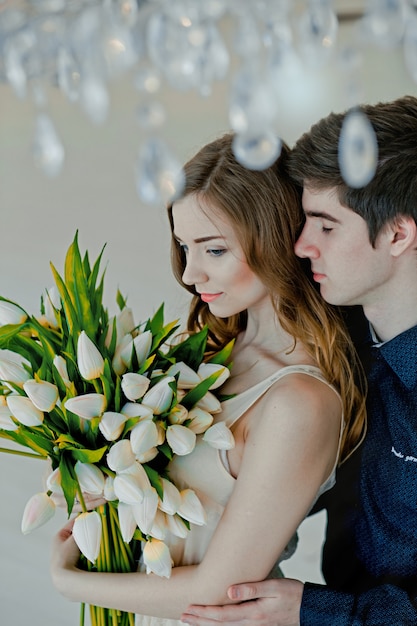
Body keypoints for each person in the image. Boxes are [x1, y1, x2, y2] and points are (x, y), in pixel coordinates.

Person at [50, 133, 366, 624]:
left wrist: (69, 582)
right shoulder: (207, 353)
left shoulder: (299, 402)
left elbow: (220, 590)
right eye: (183, 246)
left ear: (278, 240)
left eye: (213, 250)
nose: (190, 274)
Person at [181, 94, 417, 626]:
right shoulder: (331, 346)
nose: (300, 243)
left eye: (326, 226)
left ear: (399, 233)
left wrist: (319, 611)